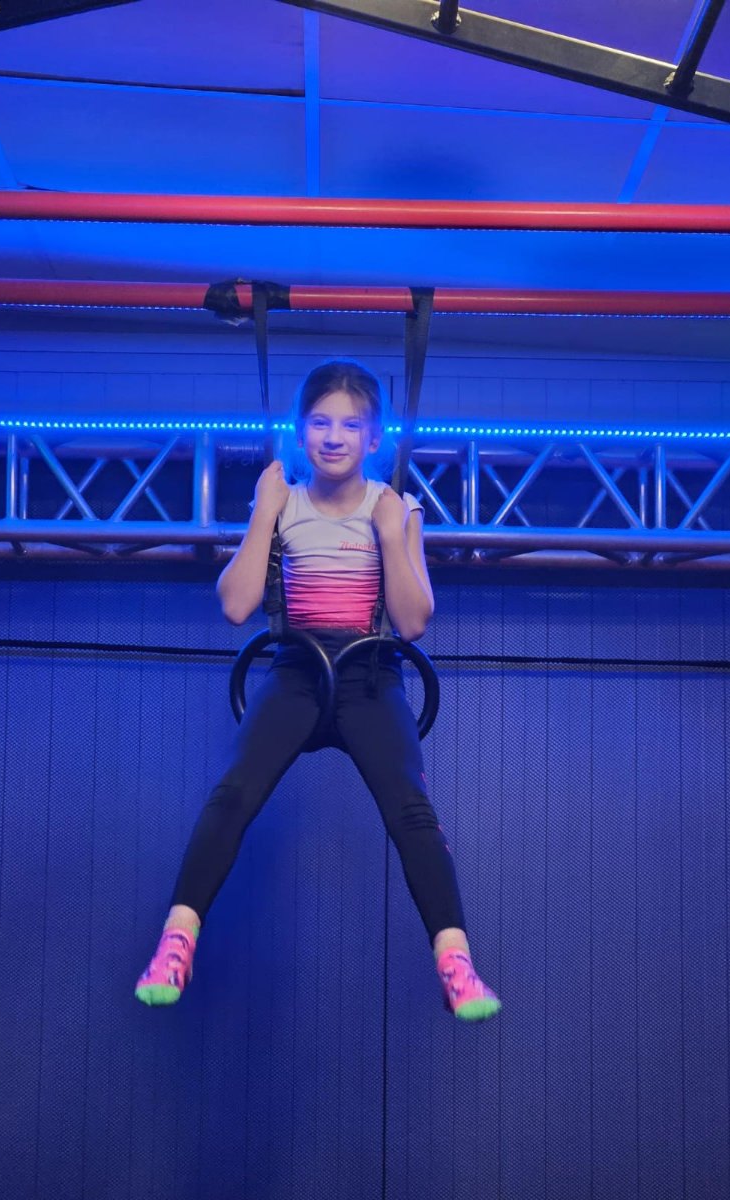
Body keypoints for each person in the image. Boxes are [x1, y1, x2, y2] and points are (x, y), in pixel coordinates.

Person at [135, 360, 500, 1021]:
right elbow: (236, 606)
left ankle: (457, 962)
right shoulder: (283, 504)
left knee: (412, 810)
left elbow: (413, 622)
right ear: (300, 430)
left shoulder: (394, 508)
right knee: (232, 794)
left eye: (350, 425)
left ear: (374, 437)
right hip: (297, 671)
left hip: (369, 674)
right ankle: (175, 943)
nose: (334, 437)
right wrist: (264, 514)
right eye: (321, 423)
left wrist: (390, 533)